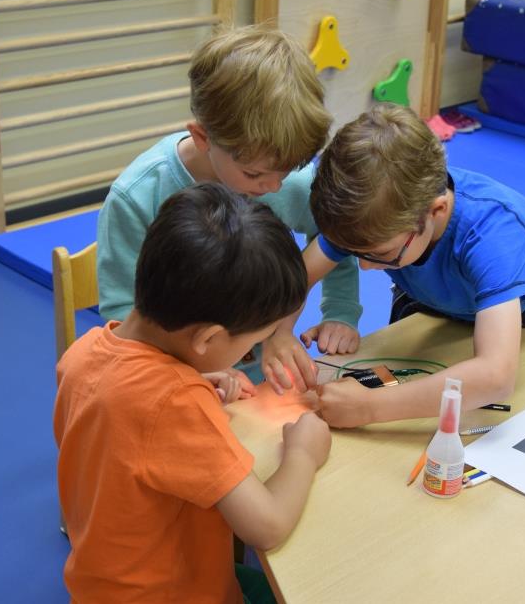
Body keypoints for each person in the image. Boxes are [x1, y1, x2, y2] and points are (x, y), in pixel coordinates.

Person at [55, 184, 332, 603]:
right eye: (253, 344)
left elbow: (127, 430)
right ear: (207, 338)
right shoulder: (177, 403)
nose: (250, 353)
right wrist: (303, 452)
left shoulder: (83, 353)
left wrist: (194, 380)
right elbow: (267, 526)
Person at [96, 25, 362, 394]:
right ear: (203, 137)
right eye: (254, 174)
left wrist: (338, 313)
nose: (273, 186)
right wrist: (190, 374)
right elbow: (122, 312)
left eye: (287, 171)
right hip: (174, 378)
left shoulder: (285, 179)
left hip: (262, 376)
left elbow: (336, 235)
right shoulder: (139, 197)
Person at [305, 104, 525, 428]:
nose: (365, 267)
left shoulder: (496, 236)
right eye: (352, 251)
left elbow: (495, 377)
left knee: (522, 409)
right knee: (408, 378)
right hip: (437, 294)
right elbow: (297, 280)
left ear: (436, 211)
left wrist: (368, 408)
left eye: (380, 254)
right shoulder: (373, 215)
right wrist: (280, 337)